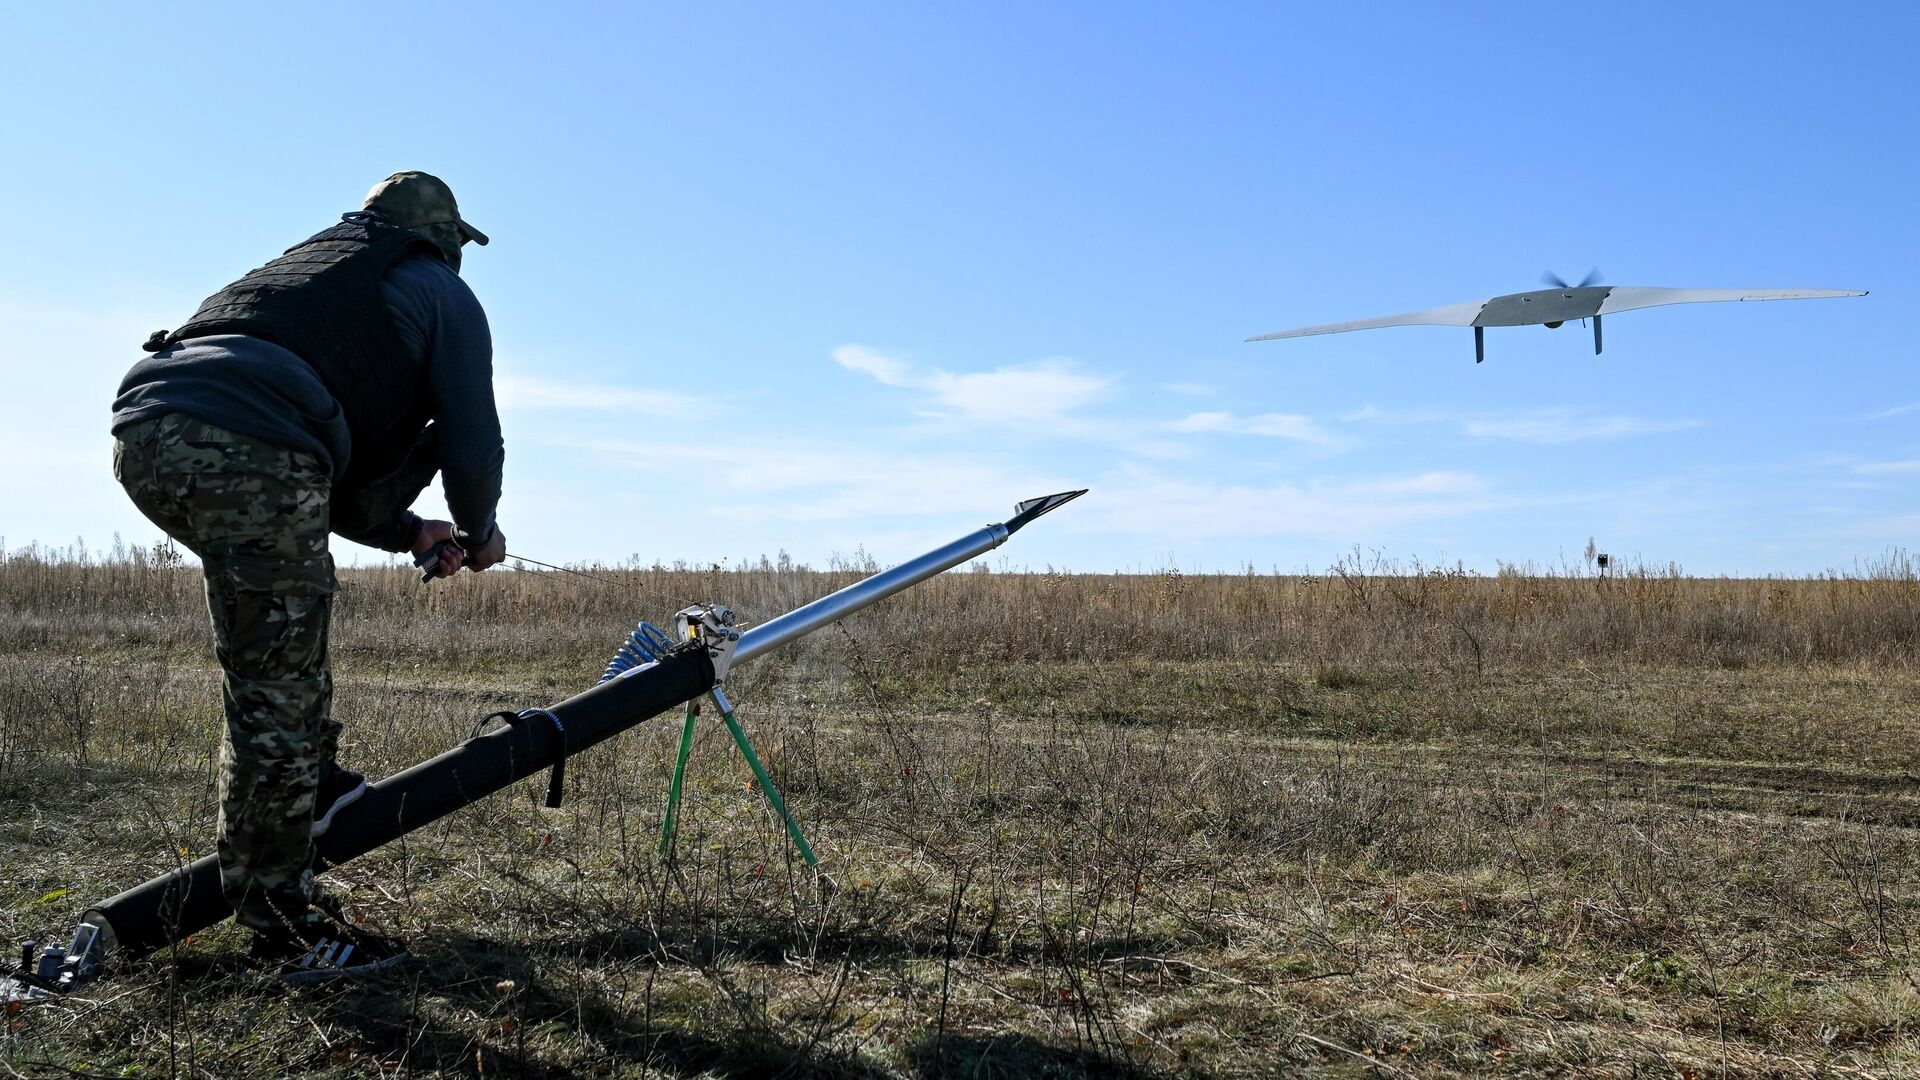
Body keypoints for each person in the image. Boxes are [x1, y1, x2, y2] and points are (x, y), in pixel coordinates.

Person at [110, 171, 507, 979]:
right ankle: (282, 927)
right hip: (245, 444)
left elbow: (315, 472)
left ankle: (309, 787)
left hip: (146, 434)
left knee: (277, 658)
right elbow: (472, 444)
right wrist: (476, 530)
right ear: (443, 237)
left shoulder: (308, 270)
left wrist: (410, 531)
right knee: (274, 690)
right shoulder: (438, 289)